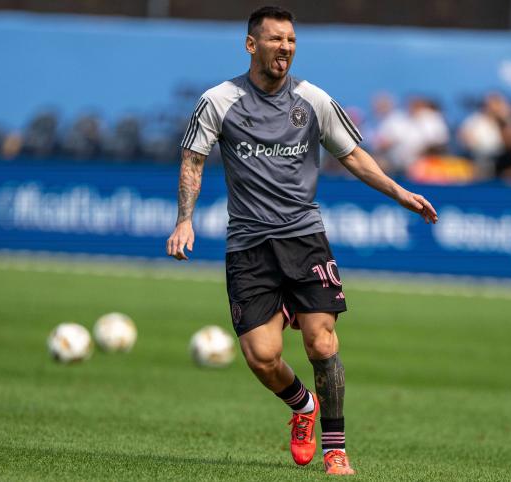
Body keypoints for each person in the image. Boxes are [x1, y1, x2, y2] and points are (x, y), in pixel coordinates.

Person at [166, 6, 438, 476]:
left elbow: (352, 155)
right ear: (252, 45)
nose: (285, 48)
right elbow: (193, 160)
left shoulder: (312, 99)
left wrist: (400, 194)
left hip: (304, 238)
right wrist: (184, 220)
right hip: (249, 245)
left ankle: (336, 449)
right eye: (275, 40)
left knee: (322, 340)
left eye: (291, 40)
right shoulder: (219, 100)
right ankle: (302, 406)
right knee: (263, 356)